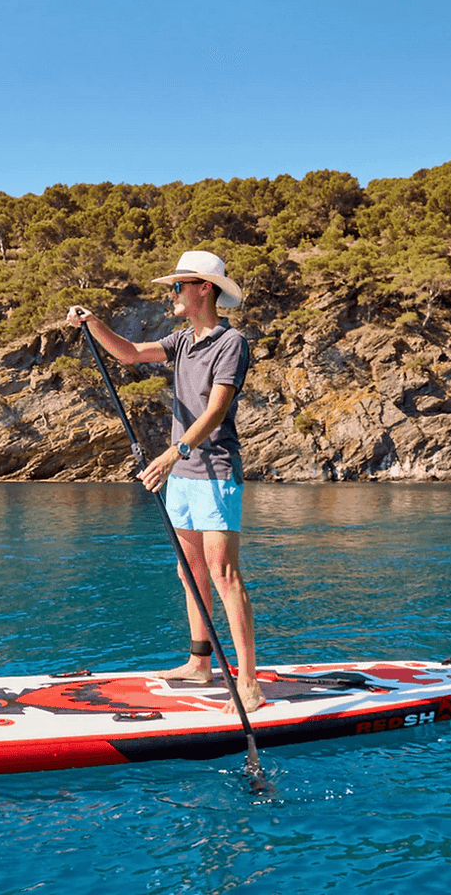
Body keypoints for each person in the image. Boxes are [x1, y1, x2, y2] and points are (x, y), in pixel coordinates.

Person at [67, 250, 265, 714]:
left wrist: (173, 453)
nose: (171, 293)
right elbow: (132, 354)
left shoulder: (230, 343)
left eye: (178, 286)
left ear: (204, 289)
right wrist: (94, 323)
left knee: (223, 574)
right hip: (183, 477)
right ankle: (200, 664)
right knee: (189, 571)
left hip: (214, 471)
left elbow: (216, 410)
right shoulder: (181, 342)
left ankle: (250, 684)